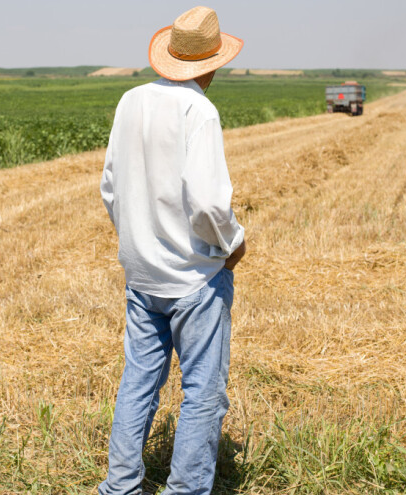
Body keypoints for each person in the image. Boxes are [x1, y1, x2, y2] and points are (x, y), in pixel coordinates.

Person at [98, 6, 246, 495]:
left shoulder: (130, 101)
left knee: (139, 381)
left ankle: (120, 485)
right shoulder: (199, 111)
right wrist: (233, 242)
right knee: (203, 392)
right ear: (212, 64)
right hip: (194, 279)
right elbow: (207, 204)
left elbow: (111, 188)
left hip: (140, 274)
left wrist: (138, 239)